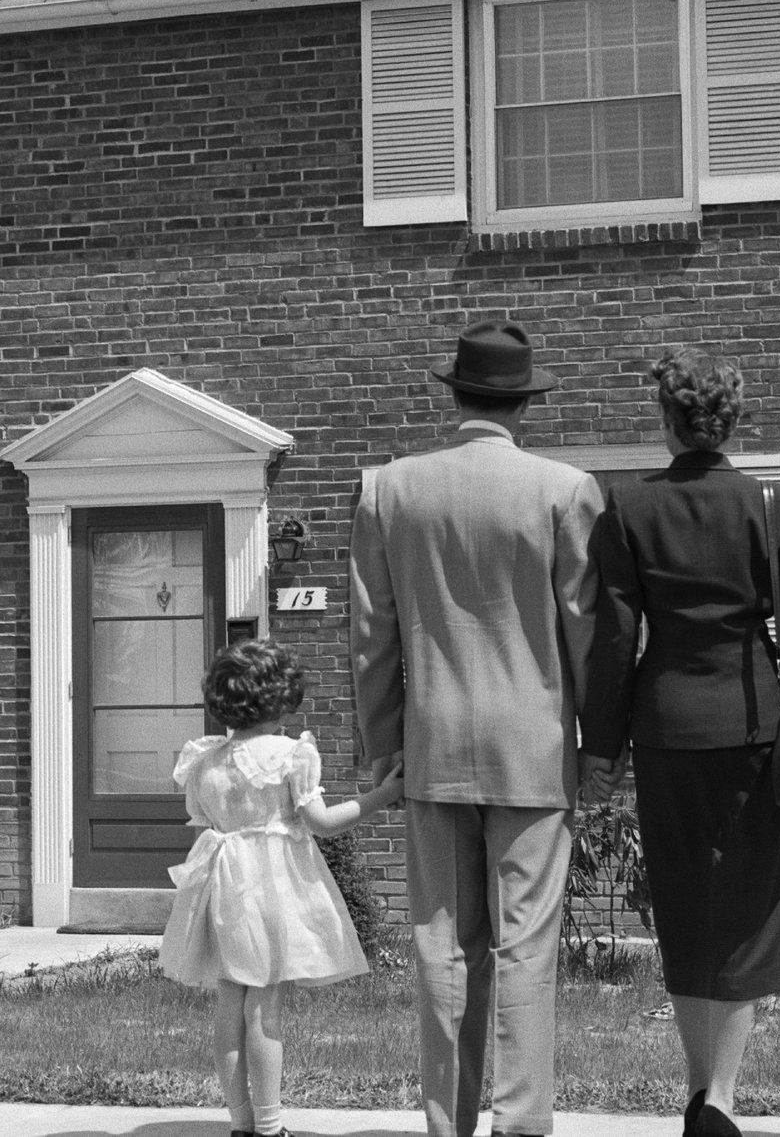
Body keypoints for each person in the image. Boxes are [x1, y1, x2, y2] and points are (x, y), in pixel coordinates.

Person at [350, 319, 602, 1137]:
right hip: (531, 747)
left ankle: (447, 1121)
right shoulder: (565, 489)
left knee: (442, 943)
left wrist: (382, 744)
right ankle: (522, 1121)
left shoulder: (389, 489)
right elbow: (585, 633)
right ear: (523, 404)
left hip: (431, 743)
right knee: (527, 941)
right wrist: (597, 744)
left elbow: (372, 634)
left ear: (452, 393)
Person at [578, 347, 780, 1137]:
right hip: (755, 726)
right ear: (731, 424)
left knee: (684, 905)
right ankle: (720, 1095)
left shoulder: (626, 507)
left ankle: (700, 1092)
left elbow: (614, 640)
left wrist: (601, 746)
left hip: (665, 727)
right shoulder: (773, 507)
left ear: (667, 423)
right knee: (750, 909)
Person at [160, 638, 405, 1137]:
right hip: (271, 888)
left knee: (229, 1004)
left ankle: (241, 1124)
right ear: (281, 699)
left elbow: (205, 819)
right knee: (264, 1005)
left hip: (222, 885)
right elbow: (321, 823)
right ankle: (270, 1128)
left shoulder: (206, 760)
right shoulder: (292, 754)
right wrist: (382, 795)